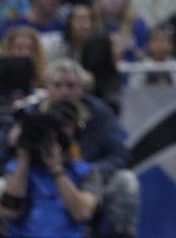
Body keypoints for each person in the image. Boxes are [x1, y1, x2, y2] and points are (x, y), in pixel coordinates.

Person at [0, 59, 140, 238]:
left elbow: (121, 154)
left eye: (71, 85)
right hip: (29, 172)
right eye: (57, 85)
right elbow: (2, 156)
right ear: (46, 87)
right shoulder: (28, 115)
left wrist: (80, 171)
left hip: (83, 172)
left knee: (126, 181)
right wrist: (17, 150)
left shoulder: (99, 112)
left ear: (81, 88)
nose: (64, 92)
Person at [0, 100, 101, 238]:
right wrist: (23, 158)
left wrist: (56, 169)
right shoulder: (15, 167)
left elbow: (82, 213)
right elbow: (9, 211)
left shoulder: (85, 171)